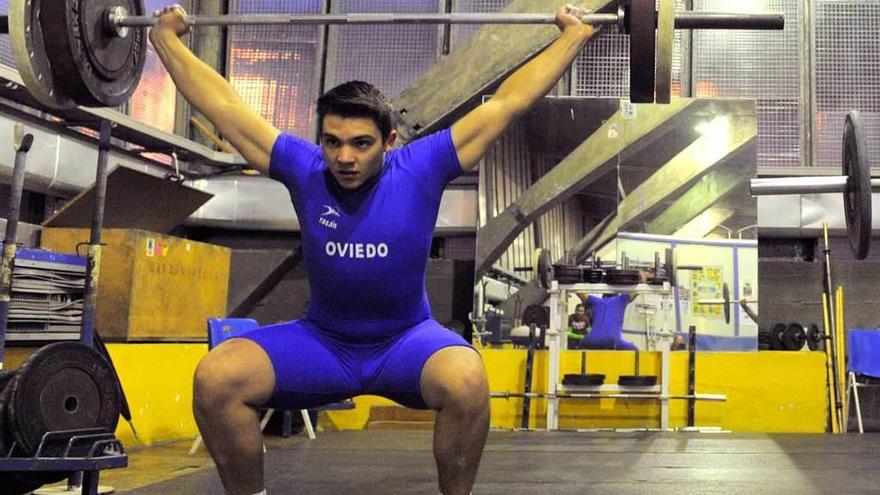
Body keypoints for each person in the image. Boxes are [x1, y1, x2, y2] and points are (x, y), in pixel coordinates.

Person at [148, 5, 593, 495]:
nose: (344, 157)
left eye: (361, 144)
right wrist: (166, 40)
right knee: (216, 378)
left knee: (467, 378)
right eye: (332, 142)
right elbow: (225, 109)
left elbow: (508, 103)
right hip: (323, 343)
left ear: (390, 140)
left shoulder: (423, 165)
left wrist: (573, 36)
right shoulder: (303, 167)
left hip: (406, 342)